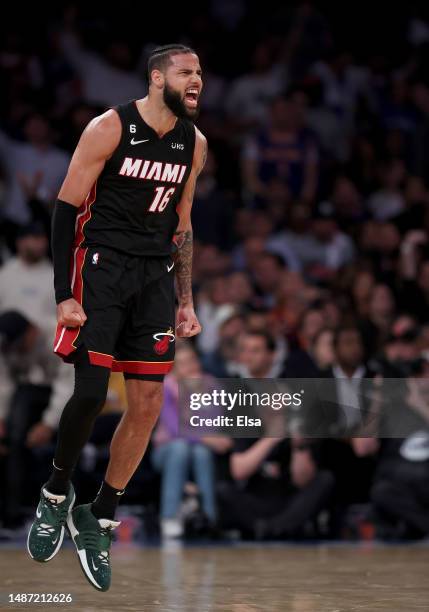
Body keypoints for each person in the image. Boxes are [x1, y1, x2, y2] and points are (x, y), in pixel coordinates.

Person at [27, 44, 207, 592]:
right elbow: (64, 207)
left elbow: (183, 226)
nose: (197, 80)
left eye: (200, 72)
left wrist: (186, 300)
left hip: (154, 276)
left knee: (149, 401)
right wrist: (64, 293)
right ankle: (56, 492)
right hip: (100, 266)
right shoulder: (110, 127)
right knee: (90, 392)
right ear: (157, 79)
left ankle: (100, 514)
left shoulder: (193, 145)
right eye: (186, 72)